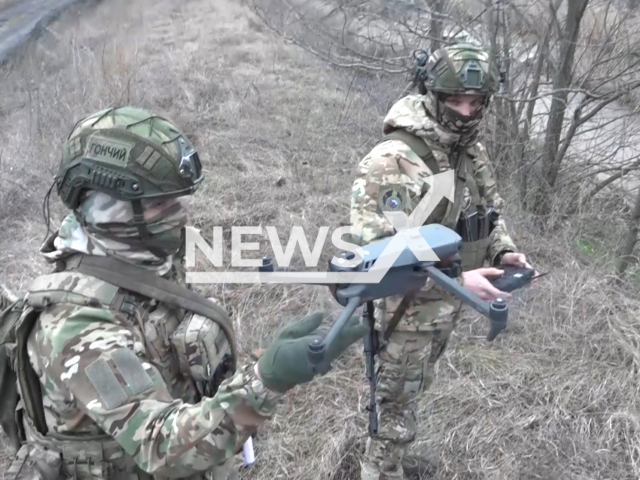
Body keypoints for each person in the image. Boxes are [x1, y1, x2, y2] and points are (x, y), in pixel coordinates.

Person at [1, 106, 367, 480]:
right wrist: (267, 378)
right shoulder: (76, 326)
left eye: (177, 201)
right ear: (112, 207)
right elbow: (160, 447)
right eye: (161, 204)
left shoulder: (141, 260)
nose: (179, 215)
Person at [349, 42, 536, 480]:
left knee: (413, 395)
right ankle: (379, 471)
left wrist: (502, 251)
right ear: (431, 95)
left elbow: (487, 213)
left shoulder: (469, 151)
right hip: (405, 314)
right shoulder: (393, 161)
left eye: (475, 103)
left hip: (444, 307)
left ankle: (391, 462)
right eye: (454, 101)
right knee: (392, 409)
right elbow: (384, 260)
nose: (466, 112)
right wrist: (459, 280)